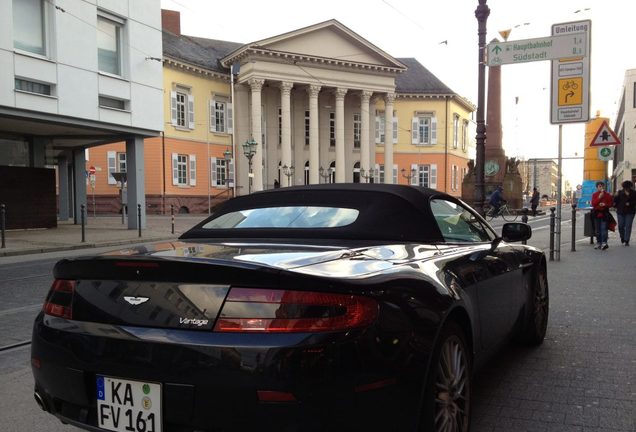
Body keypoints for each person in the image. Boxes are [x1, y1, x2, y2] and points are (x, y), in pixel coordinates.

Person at [591, 181, 613, 250]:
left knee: (604, 228)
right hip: (596, 213)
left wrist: (605, 205)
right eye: (599, 186)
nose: (601, 187)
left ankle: (604, 242)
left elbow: (611, 204)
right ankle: (598, 242)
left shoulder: (607, 195)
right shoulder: (595, 194)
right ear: (597, 187)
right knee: (597, 229)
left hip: (604, 213)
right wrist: (599, 197)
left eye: (602, 186)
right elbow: (593, 204)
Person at [613, 180, 636, 246]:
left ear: (630, 187)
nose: (627, 189)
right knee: (621, 226)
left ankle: (626, 240)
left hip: (630, 212)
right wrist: (615, 196)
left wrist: (630, 203)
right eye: (626, 188)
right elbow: (615, 201)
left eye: (628, 188)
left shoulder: (634, 193)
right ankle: (622, 237)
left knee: (628, 226)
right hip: (620, 211)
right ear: (623, 187)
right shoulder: (619, 192)